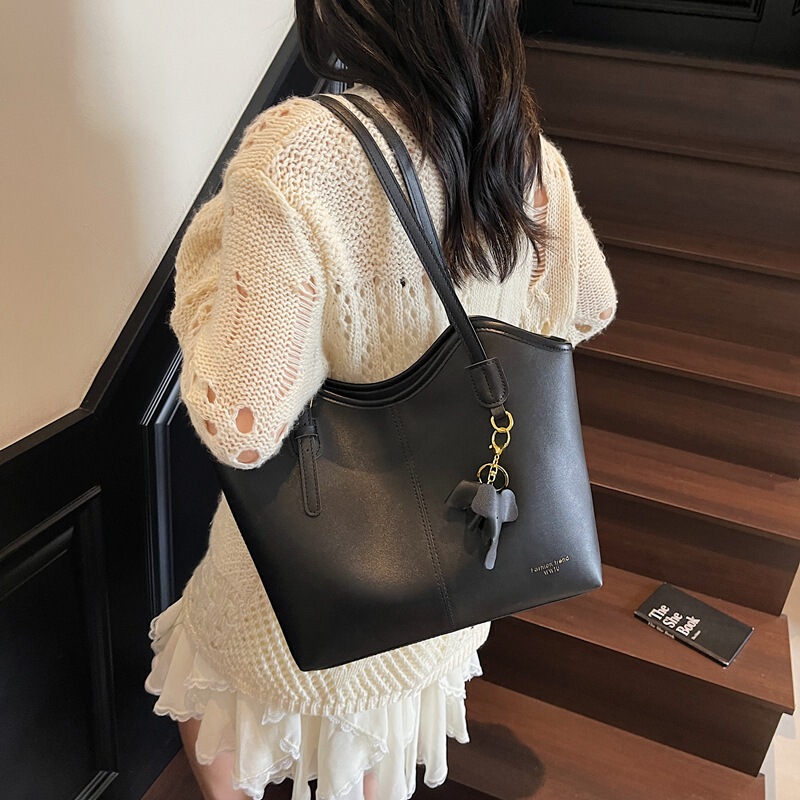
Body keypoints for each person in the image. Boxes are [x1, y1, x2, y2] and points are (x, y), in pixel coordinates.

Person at [144, 1, 617, 798]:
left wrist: (202, 271)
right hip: (457, 557)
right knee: (377, 743)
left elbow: (241, 427)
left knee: (207, 688)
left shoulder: (298, 154)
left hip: (314, 567)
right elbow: (589, 306)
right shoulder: (519, 147)